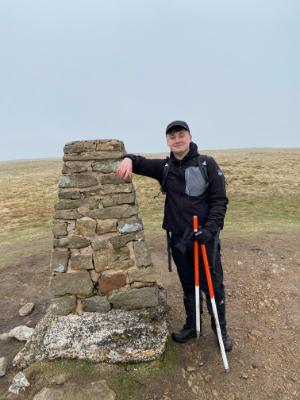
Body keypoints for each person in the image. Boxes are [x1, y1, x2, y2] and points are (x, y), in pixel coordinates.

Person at [116, 120, 232, 352]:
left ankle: (221, 330)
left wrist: (210, 231)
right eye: (172, 137)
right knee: (188, 284)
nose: (177, 140)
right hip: (179, 238)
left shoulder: (207, 164)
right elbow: (140, 162)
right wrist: (128, 158)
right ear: (168, 141)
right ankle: (192, 324)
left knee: (213, 285)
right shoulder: (165, 167)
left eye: (181, 135)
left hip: (205, 238)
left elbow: (220, 201)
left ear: (189, 137)